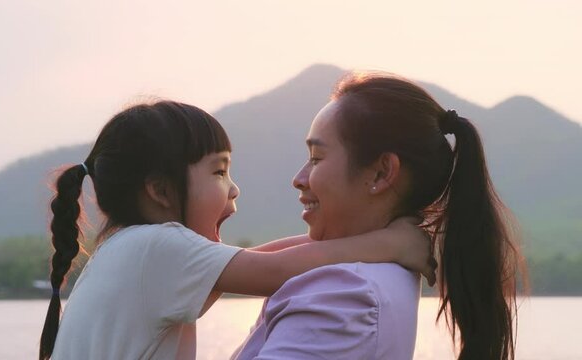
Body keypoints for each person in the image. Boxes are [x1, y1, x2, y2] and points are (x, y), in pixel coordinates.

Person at [38, 100, 436, 360]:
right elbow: (275, 270)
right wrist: (391, 243)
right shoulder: (156, 247)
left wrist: (363, 243)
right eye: (219, 171)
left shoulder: (133, 253)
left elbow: (267, 259)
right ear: (160, 190)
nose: (234, 187)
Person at [232, 72, 524, 360]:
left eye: (317, 158)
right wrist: (389, 242)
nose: (298, 178)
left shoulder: (343, 297)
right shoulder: (372, 274)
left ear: (382, 173)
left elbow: (225, 270)